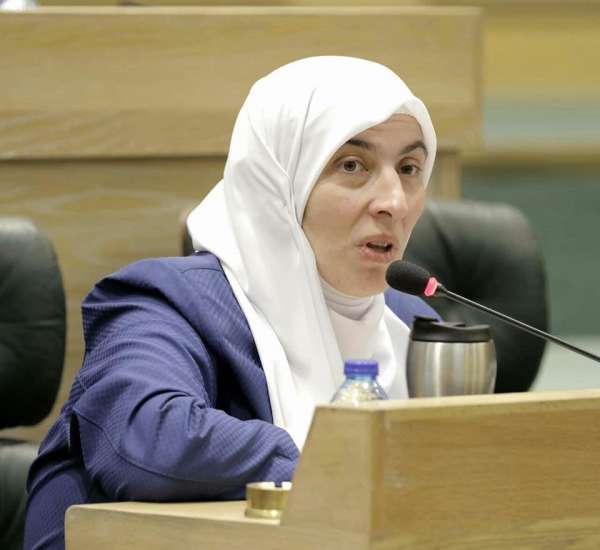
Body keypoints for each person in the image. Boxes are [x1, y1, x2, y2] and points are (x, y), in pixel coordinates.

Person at [24, 56, 438, 549]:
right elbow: (151, 439)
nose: (395, 202)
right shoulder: (161, 303)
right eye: (352, 165)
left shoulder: (412, 324)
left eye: (409, 168)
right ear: (278, 181)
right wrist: (353, 463)